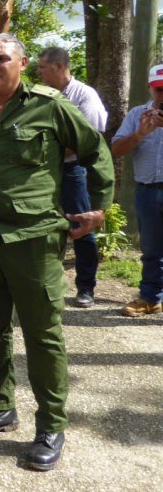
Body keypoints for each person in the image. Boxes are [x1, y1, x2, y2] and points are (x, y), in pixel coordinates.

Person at [0, 33, 114, 472]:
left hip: (34, 239)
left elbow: (96, 150)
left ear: (21, 63)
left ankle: (50, 425)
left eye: (1, 58)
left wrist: (100, 208)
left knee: (42, 334)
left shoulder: (50, 105)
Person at [37, 46, 108, 308]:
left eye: (42, 67)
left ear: (57, 67)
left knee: (81, 225)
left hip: (74, 170)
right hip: (45, 171)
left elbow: (89, 138)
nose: (38, 72)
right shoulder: (43, 97)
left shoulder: (84, 95)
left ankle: (86, 287)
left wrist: (46, 150)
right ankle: (46, 283)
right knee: (45, 225)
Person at [110, 63, 163, 317]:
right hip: (148, 191)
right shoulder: (136, 114)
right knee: (152, 250)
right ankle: (150, 298)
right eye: (159, 90)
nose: (162, 95)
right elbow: (116, 151)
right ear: (150, 89)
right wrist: (140, 134)